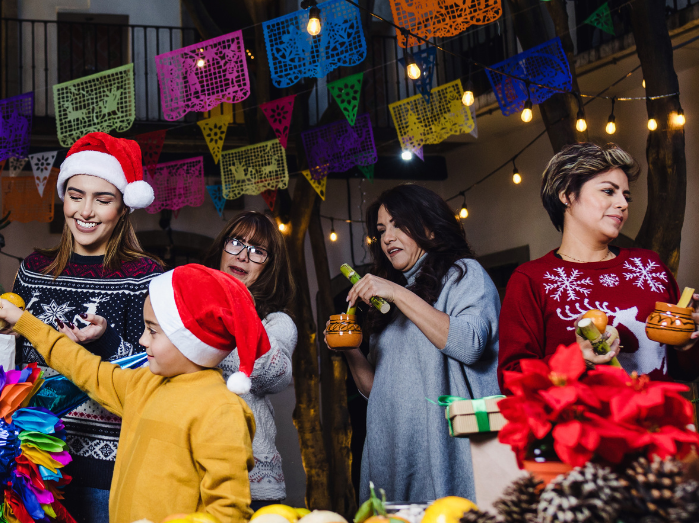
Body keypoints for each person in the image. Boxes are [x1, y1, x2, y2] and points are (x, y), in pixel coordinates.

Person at [0, 264, 268, 523]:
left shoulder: (221, 410)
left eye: (153, 331)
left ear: (191, 340)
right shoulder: (142, 384)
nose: (142, 340)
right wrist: (24, 321)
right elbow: (81, 366)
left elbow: (228, 512)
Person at [9, 132, 164, 523]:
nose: (86, 211)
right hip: (28, 464)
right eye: (76, 196)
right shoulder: (32, 271)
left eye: (103, 199)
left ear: (124, 208)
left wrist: (107, 340)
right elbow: (10, 368)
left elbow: (156, 376)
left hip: (104, 472)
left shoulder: (145, 277)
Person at [330, 183, 501, 502]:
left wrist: (397, 293)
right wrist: (351, 350)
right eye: (381, 230)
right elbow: (376, 390)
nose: (387, 237)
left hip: (444, 452)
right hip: (392, 456)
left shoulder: (464, 275)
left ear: (430, 228)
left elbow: (471, 344)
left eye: (398, 224)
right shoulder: (388, 304)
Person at [498, 142, 699, 385]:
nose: (623, 204)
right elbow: (512, 379)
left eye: (626, 195)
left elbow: (685, 373)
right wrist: (576, 358)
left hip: (656, 421)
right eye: (608, 191)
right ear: (567, 195)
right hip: (582, 422)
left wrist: (688, 344)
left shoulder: (650, 266)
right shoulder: (531, 279)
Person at [204, 212, 297, 509]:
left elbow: (274, 375)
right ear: (222, 247)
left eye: (257, 251)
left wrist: (237, 306)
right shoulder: (189, 304)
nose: (243, 256)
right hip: (191, 466)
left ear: (270, 266)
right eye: (236, 242)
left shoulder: (276, 322)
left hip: (252, 483)